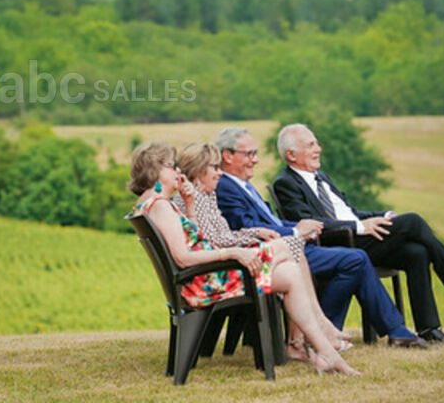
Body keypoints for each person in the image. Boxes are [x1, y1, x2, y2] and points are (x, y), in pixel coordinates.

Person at [272, 123, 444, 344]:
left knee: (416, 252)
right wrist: (360, 227)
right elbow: (309, 224)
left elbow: (351, 212)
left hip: (358, 236)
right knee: (412, 221)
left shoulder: (321, 178)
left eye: (317, 142)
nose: (319, 148)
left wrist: (382, 215)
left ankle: (429, 329)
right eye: (311, 144)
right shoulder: (286, 183)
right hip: (340, 244)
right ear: (291, 154)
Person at [129, 141, 359, 375]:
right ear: (155, 169)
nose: (178, 171)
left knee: (289, 270)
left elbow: (196, 241)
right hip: (203, 285)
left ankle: (324, 352)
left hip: (203, 279)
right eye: (172, 165)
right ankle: (318, 342)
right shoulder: (161, 207)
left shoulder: (154, 204)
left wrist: (190, 206)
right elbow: (183, 258)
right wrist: (233, 252)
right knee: (286, 245)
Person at [212, 127, 428, 348]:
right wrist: (296, 232)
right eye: (249, 154)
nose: (256, 160)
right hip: (274, 254)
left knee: (356, 259)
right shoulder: (226, 187)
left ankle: (332, 332)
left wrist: (300, 226)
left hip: (286, 245)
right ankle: (335, 333)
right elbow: (248, 228)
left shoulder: (243, 186)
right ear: (228, 156)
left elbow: (270, 223)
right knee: (355, 259)